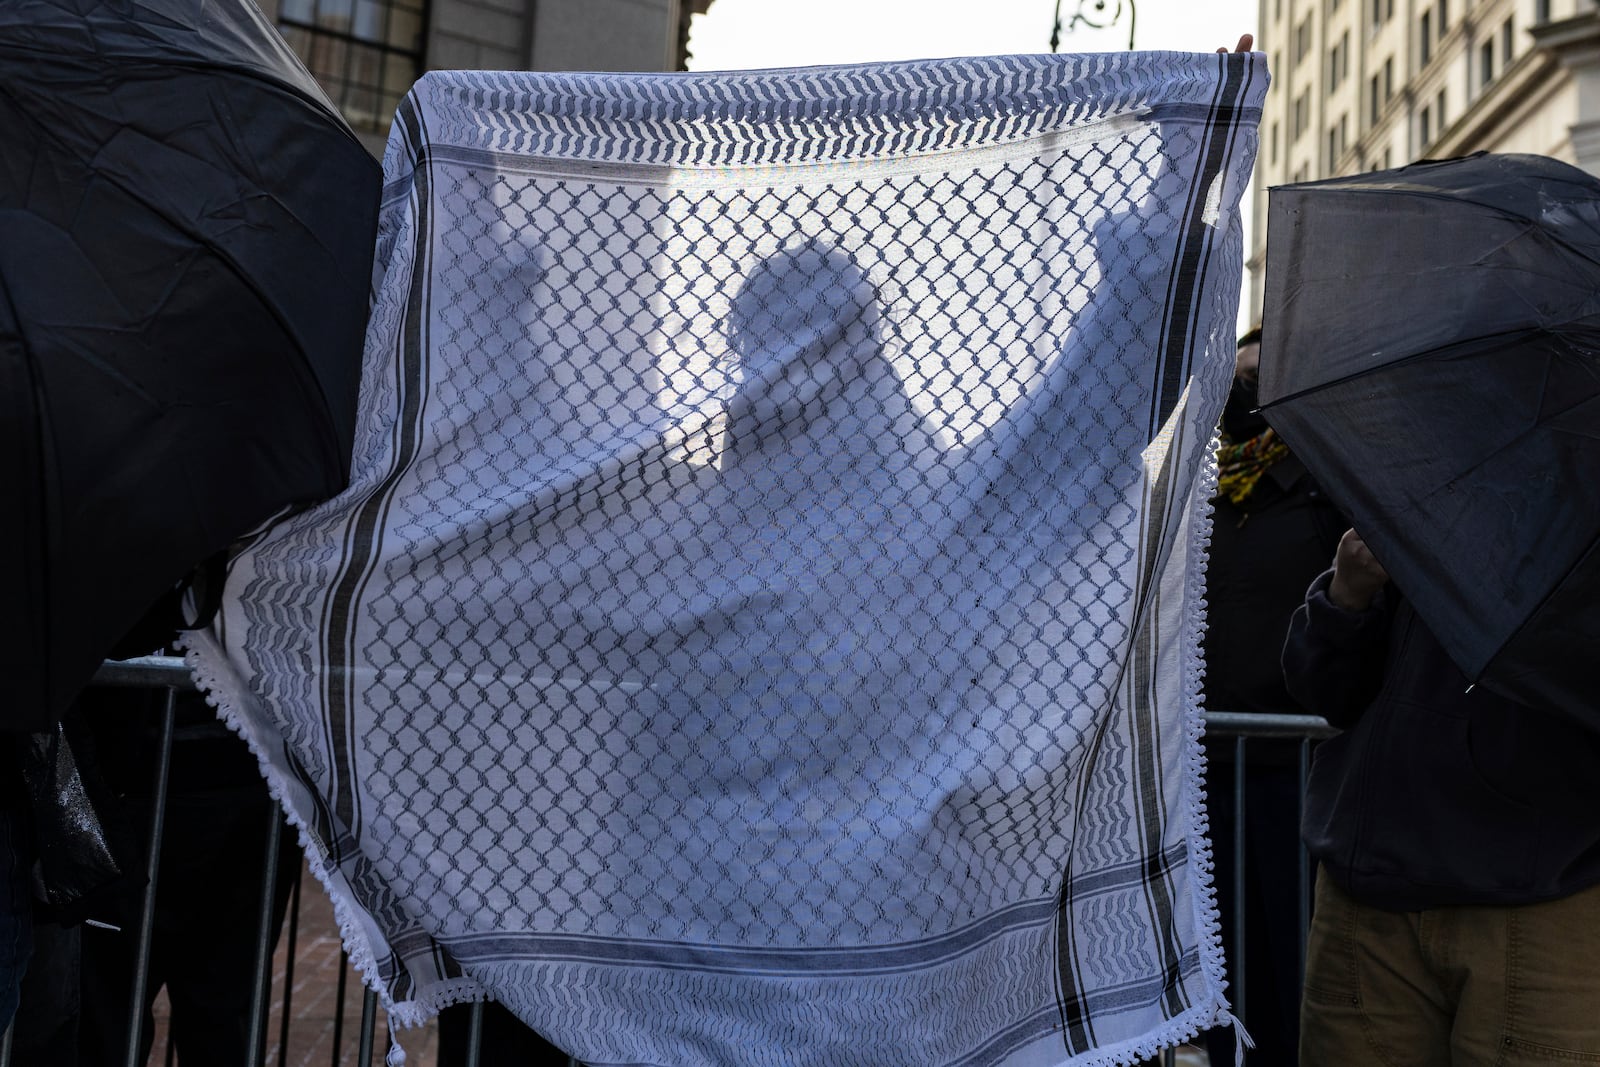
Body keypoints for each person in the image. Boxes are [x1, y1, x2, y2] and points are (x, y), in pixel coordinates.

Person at [1284, 528, 1600, 1065]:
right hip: (1368, 889)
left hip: (1548, 897)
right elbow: (1326, 692)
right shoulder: (1429, 488)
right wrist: (1348, 593)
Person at [1201, 326, 1344, 1065]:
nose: (1244, 394)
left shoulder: (1324, 489)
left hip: (1292, 764)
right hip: (1208, 761)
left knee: (1291, 948)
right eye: (1237, 378)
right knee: (1221, 954)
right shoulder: (1209, 490)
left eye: (1259, 379)